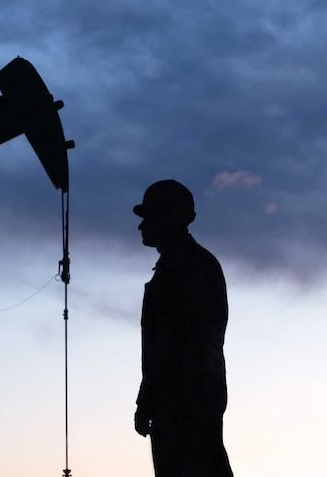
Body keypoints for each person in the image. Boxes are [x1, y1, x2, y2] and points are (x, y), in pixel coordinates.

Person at [133, 180, 233, 476]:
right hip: (175, 401)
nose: (141, 227)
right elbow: (162, 347)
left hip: (188, 401)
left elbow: (196, 341)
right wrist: (148, 398)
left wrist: (177, 399)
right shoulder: (174, 267)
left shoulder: (193, 266)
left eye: (148, 217)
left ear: (171, 216)